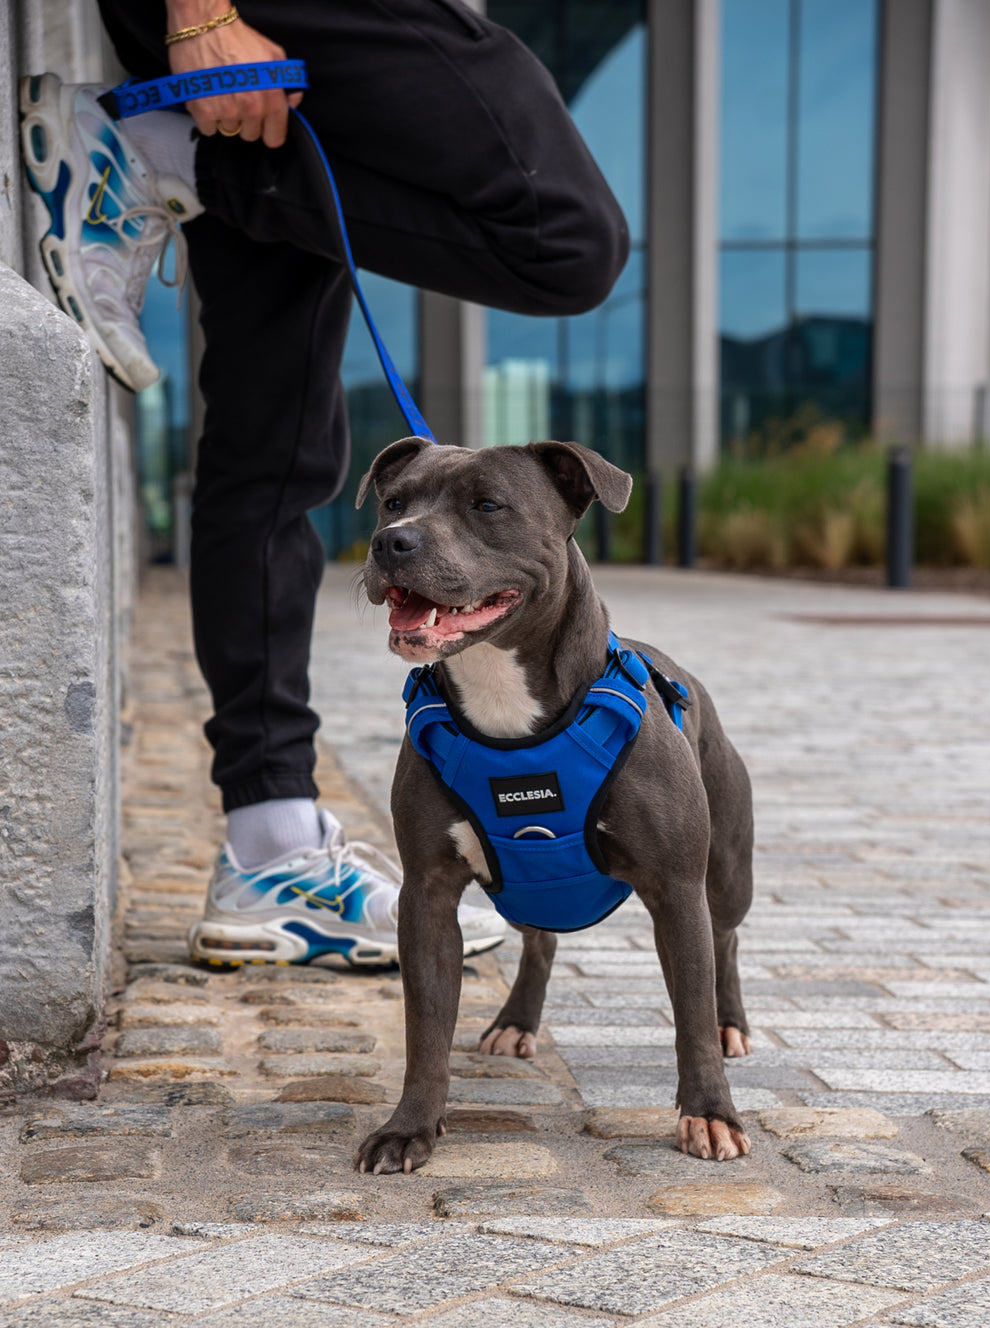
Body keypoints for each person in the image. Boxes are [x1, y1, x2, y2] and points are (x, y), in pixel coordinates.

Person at [20, 0, 628, 967]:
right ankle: (158, 147)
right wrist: (200, 13)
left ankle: (270, 850)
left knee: (272, 455)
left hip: (239, 62)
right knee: (563, 237)